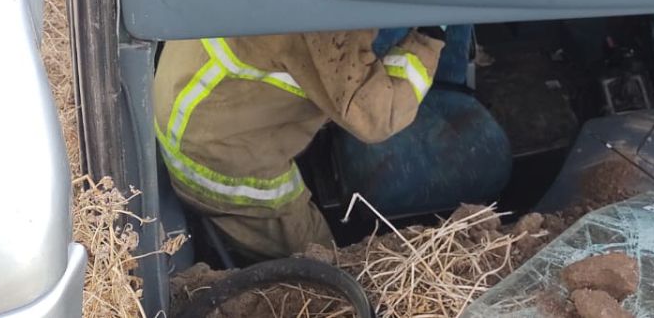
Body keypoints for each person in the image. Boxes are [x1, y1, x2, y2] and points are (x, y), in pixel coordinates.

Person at [153, 27, 446, 262]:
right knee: (321, 268)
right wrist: (430, 38)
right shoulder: (319, 23)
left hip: (197, 103)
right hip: (220, 159)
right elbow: (378, 116)